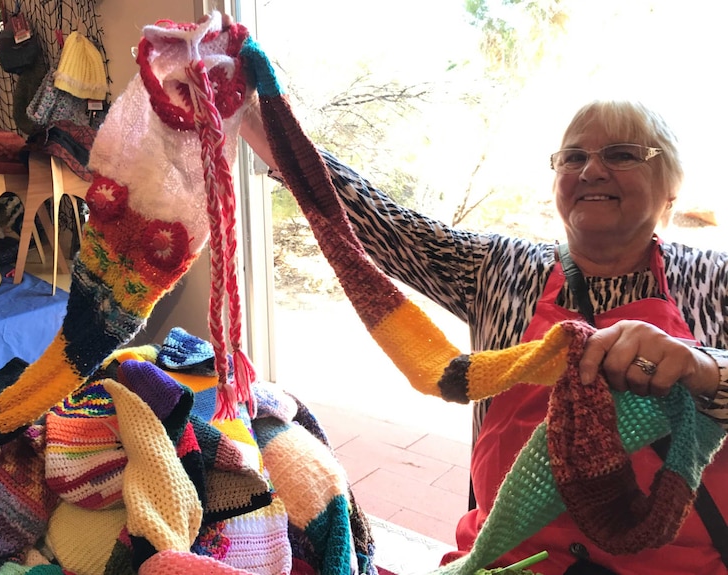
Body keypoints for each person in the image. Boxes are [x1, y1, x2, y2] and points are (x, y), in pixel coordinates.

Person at [237, 42, 728, 574]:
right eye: (574, 157)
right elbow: (375, 219)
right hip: (505, 561)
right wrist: (246, 109)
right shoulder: (502, 269)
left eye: (621, 154)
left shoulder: (712, 280)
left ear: (671, 186)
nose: (591, 170)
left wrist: (704, 368)